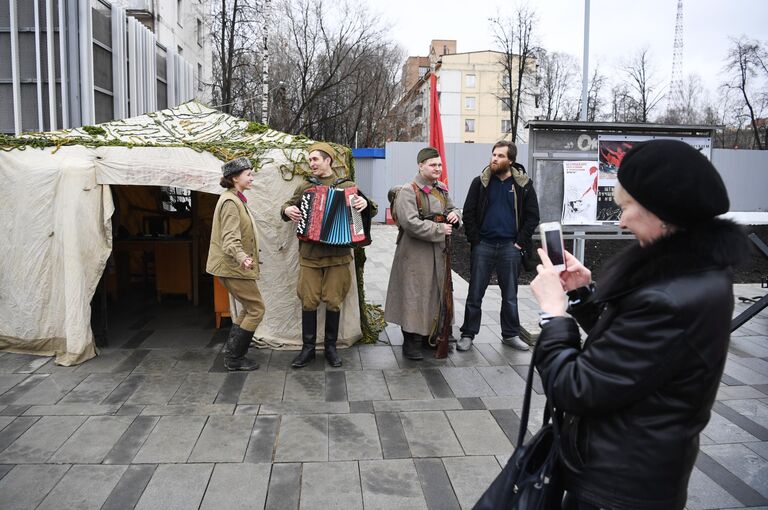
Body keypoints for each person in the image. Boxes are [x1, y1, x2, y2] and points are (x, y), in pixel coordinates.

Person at [530, 140, 750, 509]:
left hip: (620, 487)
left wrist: (554, 316)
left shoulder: (671, 298)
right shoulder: (688, 274)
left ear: (663, 213)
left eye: (628, 206)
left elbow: (576, 387)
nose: (621, 220)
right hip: (630, 469)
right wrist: (584, 295)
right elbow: (629, 351)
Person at [282, 142, 374, 368]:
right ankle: (308, 349)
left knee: (334, 301)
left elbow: (369, 208)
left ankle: (331, 348)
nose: (311, 163)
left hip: (338, 256)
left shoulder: (348, 185)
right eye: (310, 159)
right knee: (308, 300)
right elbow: (287, 206)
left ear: (328, 161)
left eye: (315, 159)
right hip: (310, 255)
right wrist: (287, 210)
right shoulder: (306, 186)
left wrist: (365, 203)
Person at [457, 140, 539, 352]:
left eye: (501, 156)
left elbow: (532, 217)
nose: (495, 159)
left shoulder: (523, 185)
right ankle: (468, 333)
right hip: (483, 245)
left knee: (510, 296)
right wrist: (475, 240)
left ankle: (510, 334)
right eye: (494, 154)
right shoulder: (480, 182)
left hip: (510, 248)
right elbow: (468, 212)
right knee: (475, 293)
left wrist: (519, 243)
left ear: (510, 160)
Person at [385, 147, 461, 360]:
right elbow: (409, 223)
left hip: (438, 250)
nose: (437, 168)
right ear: (421, 165)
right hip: (415, 252)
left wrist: (455, 215)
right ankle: (411, 341)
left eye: (439, 165)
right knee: (414, 294)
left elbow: (452, 208)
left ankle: (432, 335)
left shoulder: (442, 188)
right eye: (432, 165)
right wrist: (439, 229)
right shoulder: (408, 191)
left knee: (435, 293)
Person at [206, 156, 264, 371]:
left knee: (248, 308)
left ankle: (233, 354)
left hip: (235, 267)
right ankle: (234, 359)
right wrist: (243, 257)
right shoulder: (230, 202)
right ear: (235, 178)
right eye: (248, 174)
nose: (252, 177)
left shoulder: (235, 198)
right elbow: (230, 240)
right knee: (256, 309)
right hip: (233, 267)